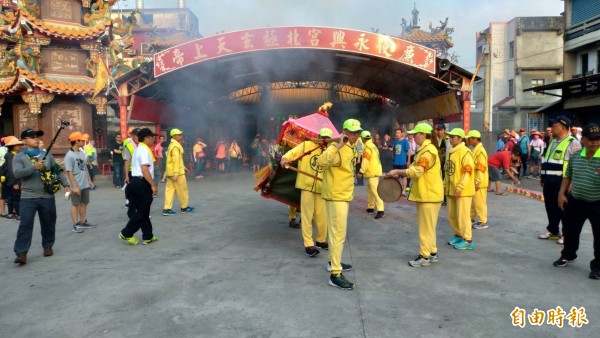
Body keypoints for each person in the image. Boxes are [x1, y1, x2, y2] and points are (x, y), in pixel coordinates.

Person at [13, 129, 71, 265]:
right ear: (24, 140)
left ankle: (48, 246)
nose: (36, 139)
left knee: (49, 223)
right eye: (32, 137)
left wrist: (66, 185)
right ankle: (21, 253)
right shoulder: (18, 157)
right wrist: (34, 167)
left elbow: (58, 170)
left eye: (37, 136)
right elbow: (17, 174)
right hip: (28, 197)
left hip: (47, 196)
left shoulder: (47, 155)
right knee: (25, 225)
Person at [388, 123, 443, 267]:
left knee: (425, 228)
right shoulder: (423, 150)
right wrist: (398, 172)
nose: (413, 136)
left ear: (423, 135)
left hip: (428, 195)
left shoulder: (427, 152)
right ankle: (432, 252)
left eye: (415, 134)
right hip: (428, 194)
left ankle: (424, 256)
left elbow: (417, 171)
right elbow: (413, 167)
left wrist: (398, 172)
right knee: (429, 227)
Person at [317, 118, 362, 290]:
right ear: (344, 131)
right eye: (352, 132)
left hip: (343, 195)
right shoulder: (336, 147)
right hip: (336, 196)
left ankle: (333, 262)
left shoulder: (351, 147)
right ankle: (335, 274)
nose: (355, 135)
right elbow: (321, 162)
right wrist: (337, 147)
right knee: (337, 235)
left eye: (357, 132)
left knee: (337, 234)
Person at [553, 123, 600, 280]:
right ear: (583, 140)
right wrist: (561, 193)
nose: (595, 142)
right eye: (591, 139)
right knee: (570, 229)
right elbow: (567, 176)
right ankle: (568, 255)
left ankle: (598, 267)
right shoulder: (575, 157)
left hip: (597, 203)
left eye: (598, 139)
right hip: (576, 200)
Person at [280, 128, 331, 257]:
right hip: (306, 186)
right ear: (318, 135)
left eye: (327, 138)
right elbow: (292, 153)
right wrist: (285, 158)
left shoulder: (331, 150)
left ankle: (320, 240)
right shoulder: (306, 145)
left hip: (322, 187)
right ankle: (308, 244)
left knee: (322, 216)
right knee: (307, 217)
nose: (324, 140)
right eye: (322, 137)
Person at [539, 115, 581, 244]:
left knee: (564, 210)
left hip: (562, 182)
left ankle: (566, 234)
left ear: (563, 127)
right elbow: (546, 160)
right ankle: (553, 230)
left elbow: (577, 164)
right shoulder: (552, 141)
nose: (551, 128)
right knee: (550, 207)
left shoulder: (572, 143)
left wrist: (572, 182)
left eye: (554, 126)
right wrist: (542, 176)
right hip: (548, 181)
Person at [119, 128, 159, 245]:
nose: (153, 139)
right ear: (146, 138)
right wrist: (153, 185)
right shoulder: (144, 151)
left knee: (144, 211)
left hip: (135, 182)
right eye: (152, 137)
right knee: (142, 212)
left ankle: (148, 235)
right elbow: (145, 169)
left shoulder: (139, 149)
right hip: (142, 183)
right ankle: (126, 233)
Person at [444, 128, 476, 250]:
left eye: (453, 137)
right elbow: (448, 170)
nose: (450, 139)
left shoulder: (465, 152)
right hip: (451, 188)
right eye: (450, 137)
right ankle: (458, 235)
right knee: (452, 214)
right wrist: (445, 184)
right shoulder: (450, 150)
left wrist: (460, 187)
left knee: (463, 215)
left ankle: (468, 239)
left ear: (460, 138)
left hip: (463, 190)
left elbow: (467, 172)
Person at [64, 132, 95, 233]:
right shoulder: (69, 156)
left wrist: (89, 180)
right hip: (76, 184)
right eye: (81, 140)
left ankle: (83, 222)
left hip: (84, 183)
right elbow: (69, 172)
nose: (83, 141)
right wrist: (74, 186)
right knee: (75, 204)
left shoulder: (81, 152)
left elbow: (84, 167)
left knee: (84, 203)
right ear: (76, 141)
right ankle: (75, 224)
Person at [163, 128, 195, 215]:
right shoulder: (176, 146)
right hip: (177, 173)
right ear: (173, 136)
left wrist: (183, 167)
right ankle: (184, 207)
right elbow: (176, 160)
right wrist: (177, 172)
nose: (180, 136)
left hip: (170, 172)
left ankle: (166, 209)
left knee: (169, 190)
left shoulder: (172, 145)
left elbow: (176, 160)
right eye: (179, 135)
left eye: (180, 134)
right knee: (183, 190)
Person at [357, 130, 384, 219]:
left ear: (363, 138)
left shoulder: (368, 147)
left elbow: (366, 160)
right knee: (370, 190)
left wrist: (361, 171)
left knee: (375, 191)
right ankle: (370, 207)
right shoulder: (373, 146)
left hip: (372, 172)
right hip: (374, 171)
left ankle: (381, 210)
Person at [467, 130, 489, 230]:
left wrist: (477, 181)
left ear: (475, 139)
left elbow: (481, 167)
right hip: (476, 180)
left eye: (470, 138)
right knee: (474, 202)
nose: (469, 140)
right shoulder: (476, 149)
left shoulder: (480, 151)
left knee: (480, 202)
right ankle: (471, 218)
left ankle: (483, 221)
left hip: (479, 181)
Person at [3, 137, 25, 220]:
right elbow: (11, 170)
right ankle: (18, 214)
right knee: (16, 198)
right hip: (14, 181)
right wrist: (15, 182)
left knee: (12, 197)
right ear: (13, 146)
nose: (20, 146)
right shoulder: (10, 156)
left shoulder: (13, 155)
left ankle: (11, 213)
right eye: (18, 145)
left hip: (14, 180)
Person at [392, 128, 411, 196]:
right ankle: (397, 190)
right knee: (396, 176)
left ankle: (403, 191)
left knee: (403, 176)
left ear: (402, 133)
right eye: (396, 133)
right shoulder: (395, 141)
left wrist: (408, 161)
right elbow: (394, 150)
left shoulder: (405, 141)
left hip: (402, 162)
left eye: (399, 133)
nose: (397, 134)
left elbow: (409, 151)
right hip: (395, 162)